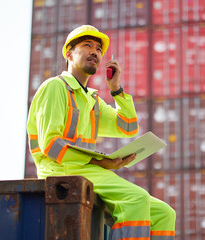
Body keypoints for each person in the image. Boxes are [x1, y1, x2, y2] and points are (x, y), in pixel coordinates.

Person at [27, 25, 176, 240]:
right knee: (136, 198)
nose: (95, 52)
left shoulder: (92, 100)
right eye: (87, 46)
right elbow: (51, 146)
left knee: (164, 213)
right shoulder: (55, 87)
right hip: (60, 170)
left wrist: (116, 89)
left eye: (98, 49)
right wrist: (99, 162)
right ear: (69, 53)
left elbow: (128, 127)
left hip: (88, 170)